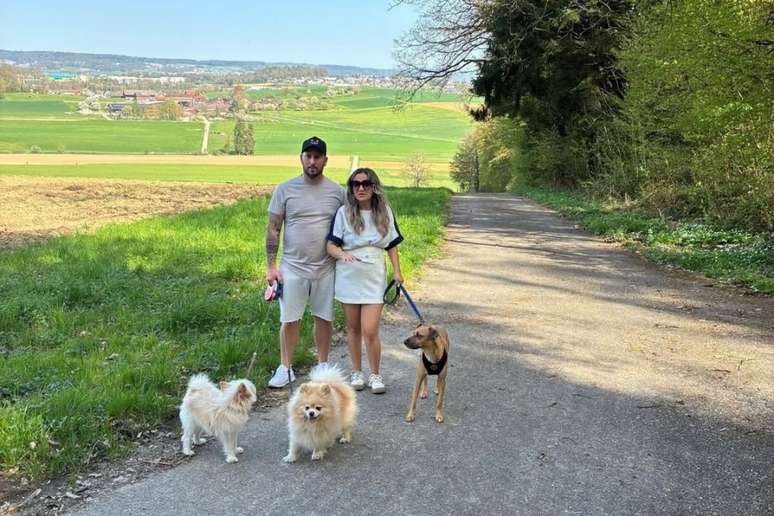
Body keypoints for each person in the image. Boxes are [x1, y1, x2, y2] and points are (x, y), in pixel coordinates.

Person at [265, 136, 345, 388]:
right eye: (308, 156)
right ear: (301, 158)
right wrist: (271, 266)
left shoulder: (337, 192)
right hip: (292, 267)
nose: (312, 161)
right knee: (289, 319)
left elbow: (348, 227)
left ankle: (322, 366)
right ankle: (285, 367)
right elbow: (273, 228)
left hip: (326, 268)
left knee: (324, 317)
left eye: (317, 157)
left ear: (325, 160)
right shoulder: (285, 189)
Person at [326, 168, 404, 394]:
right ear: (350, 188)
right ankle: (357, 371)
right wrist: (342, 255)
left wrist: (397, 273)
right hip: (348, 273)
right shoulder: (343, 213)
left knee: (370, 329)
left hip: (374, 274)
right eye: (355, 184)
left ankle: (376, 374)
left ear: (374, 187)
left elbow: (391, 245)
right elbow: (331, 245)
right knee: (352, 328)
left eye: (366, 183)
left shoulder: (385, 212)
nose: (361, 188)